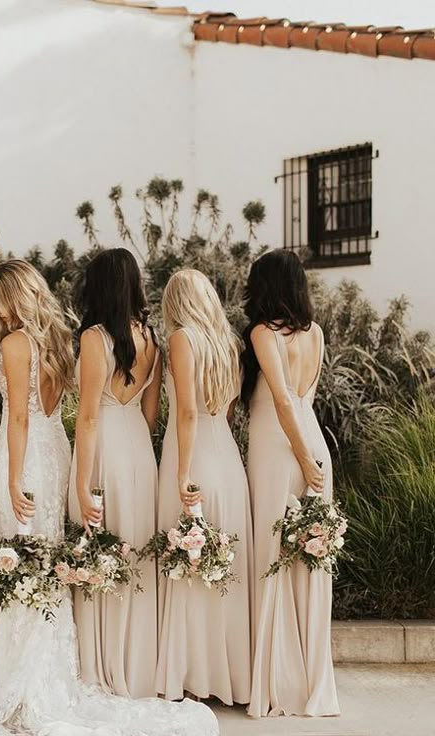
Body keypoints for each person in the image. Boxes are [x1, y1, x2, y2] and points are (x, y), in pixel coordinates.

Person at [0, 259, 218, 736]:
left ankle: (25, 678)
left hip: (29, 454)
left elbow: (18, 418)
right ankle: (77, 668)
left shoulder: (25, 343)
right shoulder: (70, 340)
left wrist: (13, 478)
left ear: (13, 295)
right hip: (64, 448)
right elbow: (151, 413)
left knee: (24, 554)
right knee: (56, 557)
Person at [242, 249, 340, 717]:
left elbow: (281, 400)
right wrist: (312, 455)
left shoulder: (264, 333)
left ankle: (279, 681)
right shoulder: (316, 334)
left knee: (275, 555)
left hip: (281, 446)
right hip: (313, 438)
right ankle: (311, 678)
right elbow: (304, 399)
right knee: (311, 558)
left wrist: (300, 455)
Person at [155, 269, 253, 706]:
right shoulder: (229, 345)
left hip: (193, 456)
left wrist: (183, 471)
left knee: (190, 568)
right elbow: (226, 412)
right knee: (220, 569)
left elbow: (188, 412)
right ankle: (227, 676)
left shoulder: (182, 339)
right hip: (227, 458)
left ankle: (191, 675)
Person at [69, 247, 162, 698]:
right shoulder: (152, 339)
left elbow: (87, 416)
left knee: (100, 553)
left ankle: (101, 665)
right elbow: (151, 414)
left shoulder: (95, 338)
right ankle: (137, 664)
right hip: (139, 452)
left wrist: (84, 484)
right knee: (137, 553)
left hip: (103, 445)